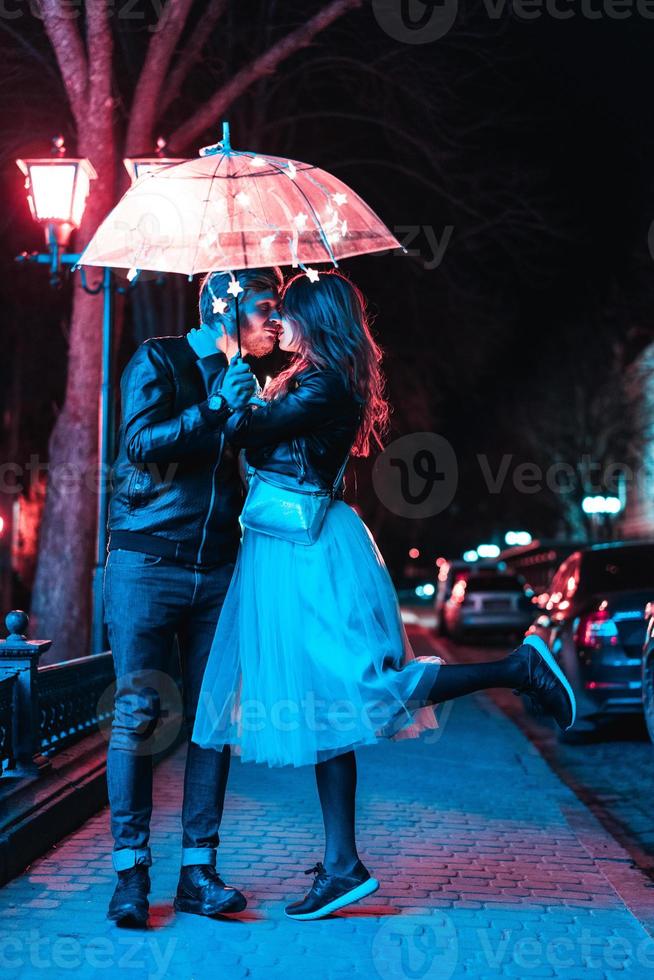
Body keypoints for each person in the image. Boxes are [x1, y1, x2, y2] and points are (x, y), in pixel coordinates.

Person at [192, 269, 576, 921]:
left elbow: (244, 434)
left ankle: (518, 667)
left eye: (291, 312)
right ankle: (342, 866)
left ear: (317, 319)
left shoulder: (321, 385)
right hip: (293, 551)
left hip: (307, 557)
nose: (279, 322)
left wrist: (228, 376)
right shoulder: (313, 378)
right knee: (325, 707)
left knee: (365, 689)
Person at [104, 266, 282, 927]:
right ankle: (130, 875)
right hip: (147, 561)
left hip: (216, 569)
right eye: (265, 305)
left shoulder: (249, 382)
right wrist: (213, 407)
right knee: (139, 716)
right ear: (222, 307)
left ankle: (198, 872)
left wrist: (253, 414)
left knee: (213, 722)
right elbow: (140, 445)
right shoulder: (159, 358)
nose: (274, 319)